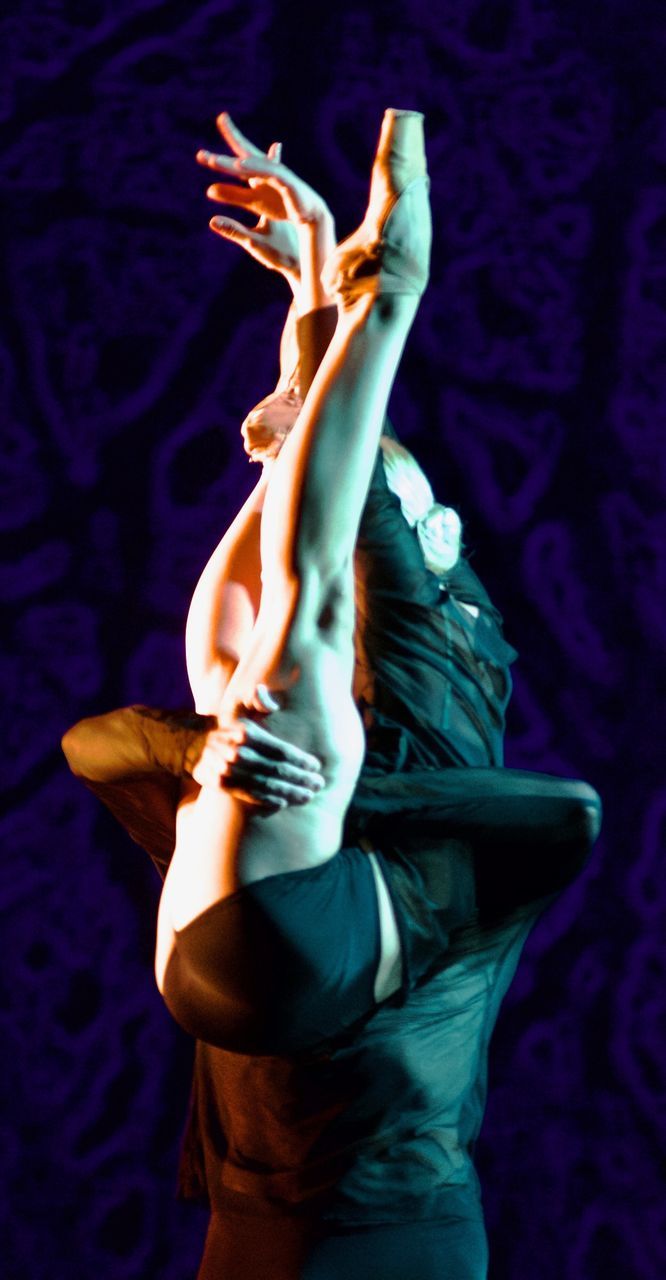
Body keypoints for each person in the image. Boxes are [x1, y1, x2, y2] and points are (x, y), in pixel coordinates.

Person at [63, 111, 601, 1279]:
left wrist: (326, 304)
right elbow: (92, 741)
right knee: (248, 666)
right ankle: (381, 304)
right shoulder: (305, 741)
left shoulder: (429, 619)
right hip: (257, 1179)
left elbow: (569, 812)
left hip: (391, 1185)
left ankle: (389, 302)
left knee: (284, 644)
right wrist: (311, 307)